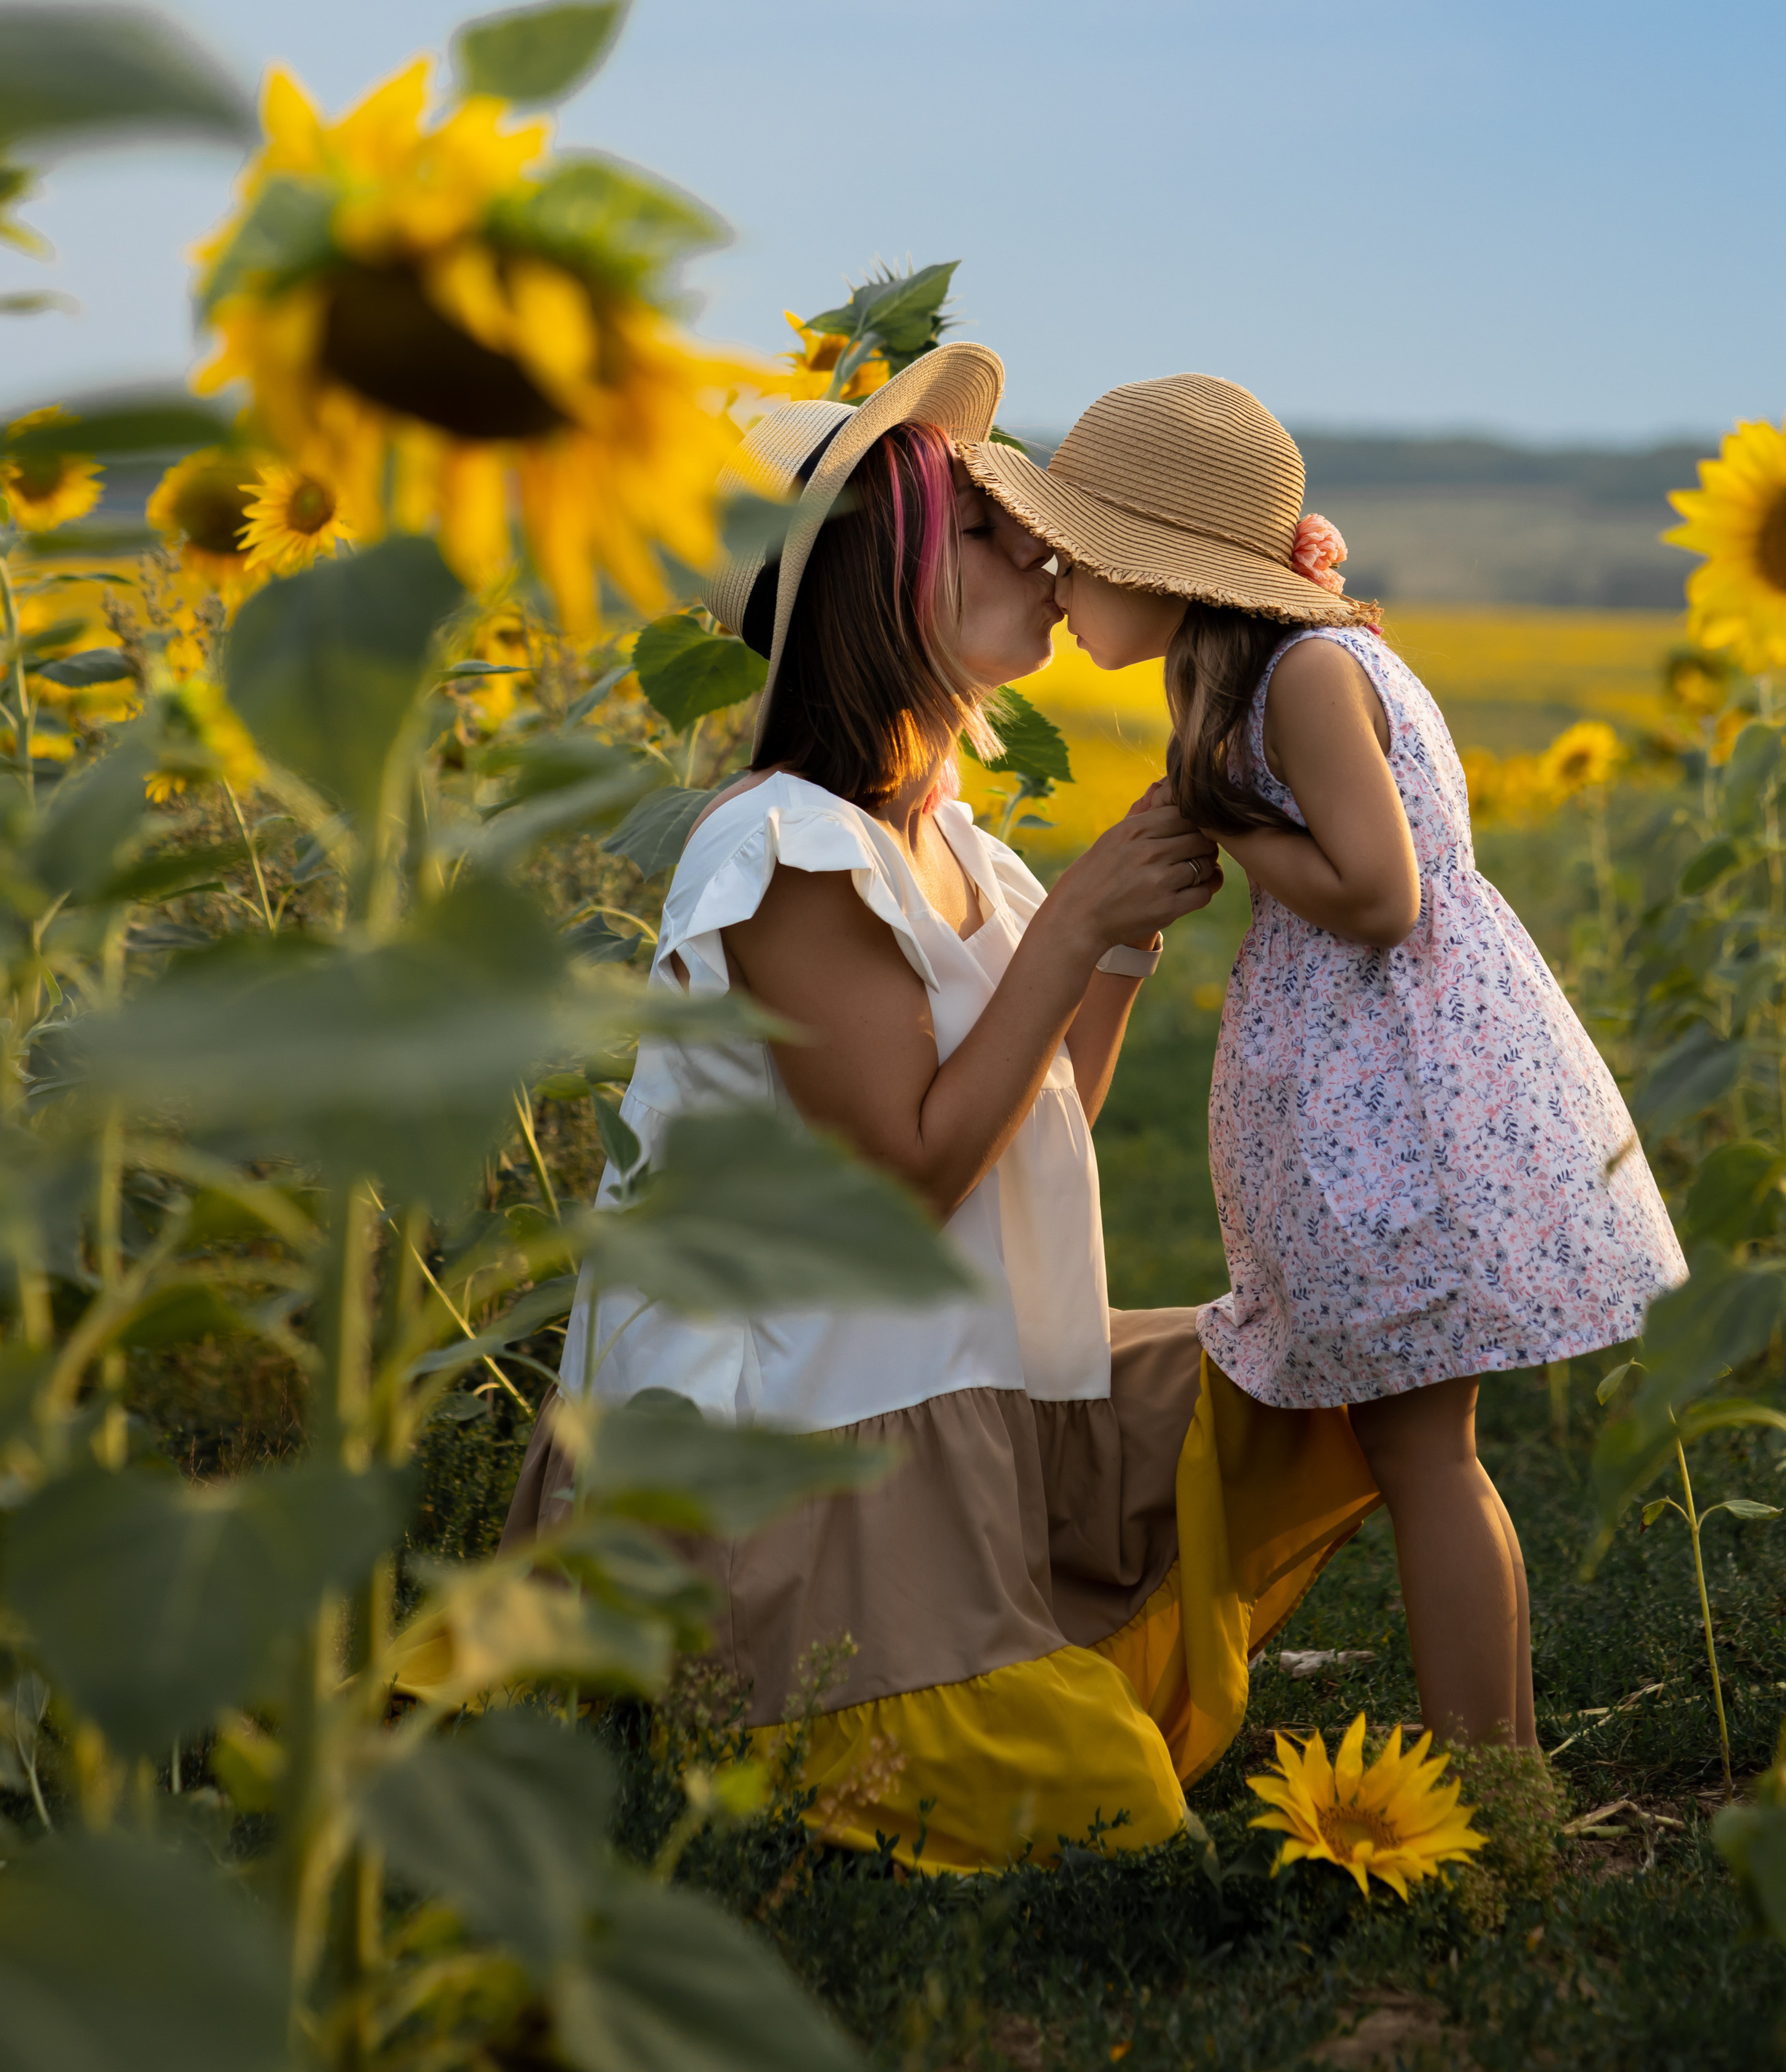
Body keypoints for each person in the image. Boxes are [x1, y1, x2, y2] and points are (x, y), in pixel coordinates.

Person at [504, 343, 1379, 1870]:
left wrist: (1111, 940)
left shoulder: (959, 846)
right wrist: (1072, 926)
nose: (1037, 552)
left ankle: (1030, 1653)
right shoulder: (782, 848)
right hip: (803, 1455)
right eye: (981, 528)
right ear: (876, 583)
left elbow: (1035, 1124)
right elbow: (907, 1182)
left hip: (951, 1393)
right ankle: (792, 1688)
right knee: (1117, 1821)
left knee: (1340, 1368)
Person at [963, 372, 1687, 1753]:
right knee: (1426, 1452)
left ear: (1162, 566)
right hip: (1395, 1097)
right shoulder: (1269, 671)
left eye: (1076, 558)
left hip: (1410, 1107)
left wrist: (1222, 816)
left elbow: (1381, 895)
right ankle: (1502, 1768)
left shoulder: (1300, 674)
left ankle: (1496, 1779)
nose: (1055, 584)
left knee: (1427, 1457)